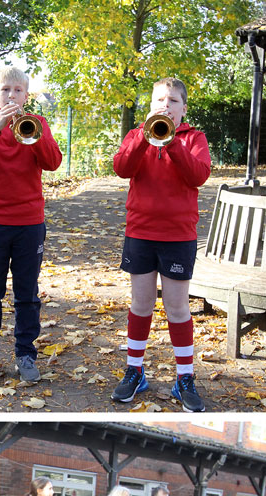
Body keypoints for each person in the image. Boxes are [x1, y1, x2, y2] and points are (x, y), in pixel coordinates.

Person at [111, 77, 212, 412]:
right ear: (151, 105)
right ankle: (134, 371)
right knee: (140, 305)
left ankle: (185, 378)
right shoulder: (136, 135)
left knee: (177, 308)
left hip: (178, 236)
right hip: (140, 232)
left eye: (172, 101)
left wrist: (171, 143)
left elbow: (198, 175)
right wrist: (144, 138)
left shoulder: (195, 139)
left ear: (183, 108)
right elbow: (122, 167)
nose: (164, 106)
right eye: (159, 100)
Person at [0, 65, 62, 386]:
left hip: (29, 224)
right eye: (6, 90)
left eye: (18, 91)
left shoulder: (38, 124)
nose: (11, 95)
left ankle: (25, 355)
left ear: (26, 95)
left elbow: (53, 162)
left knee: (27, 294)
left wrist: (32, 135)